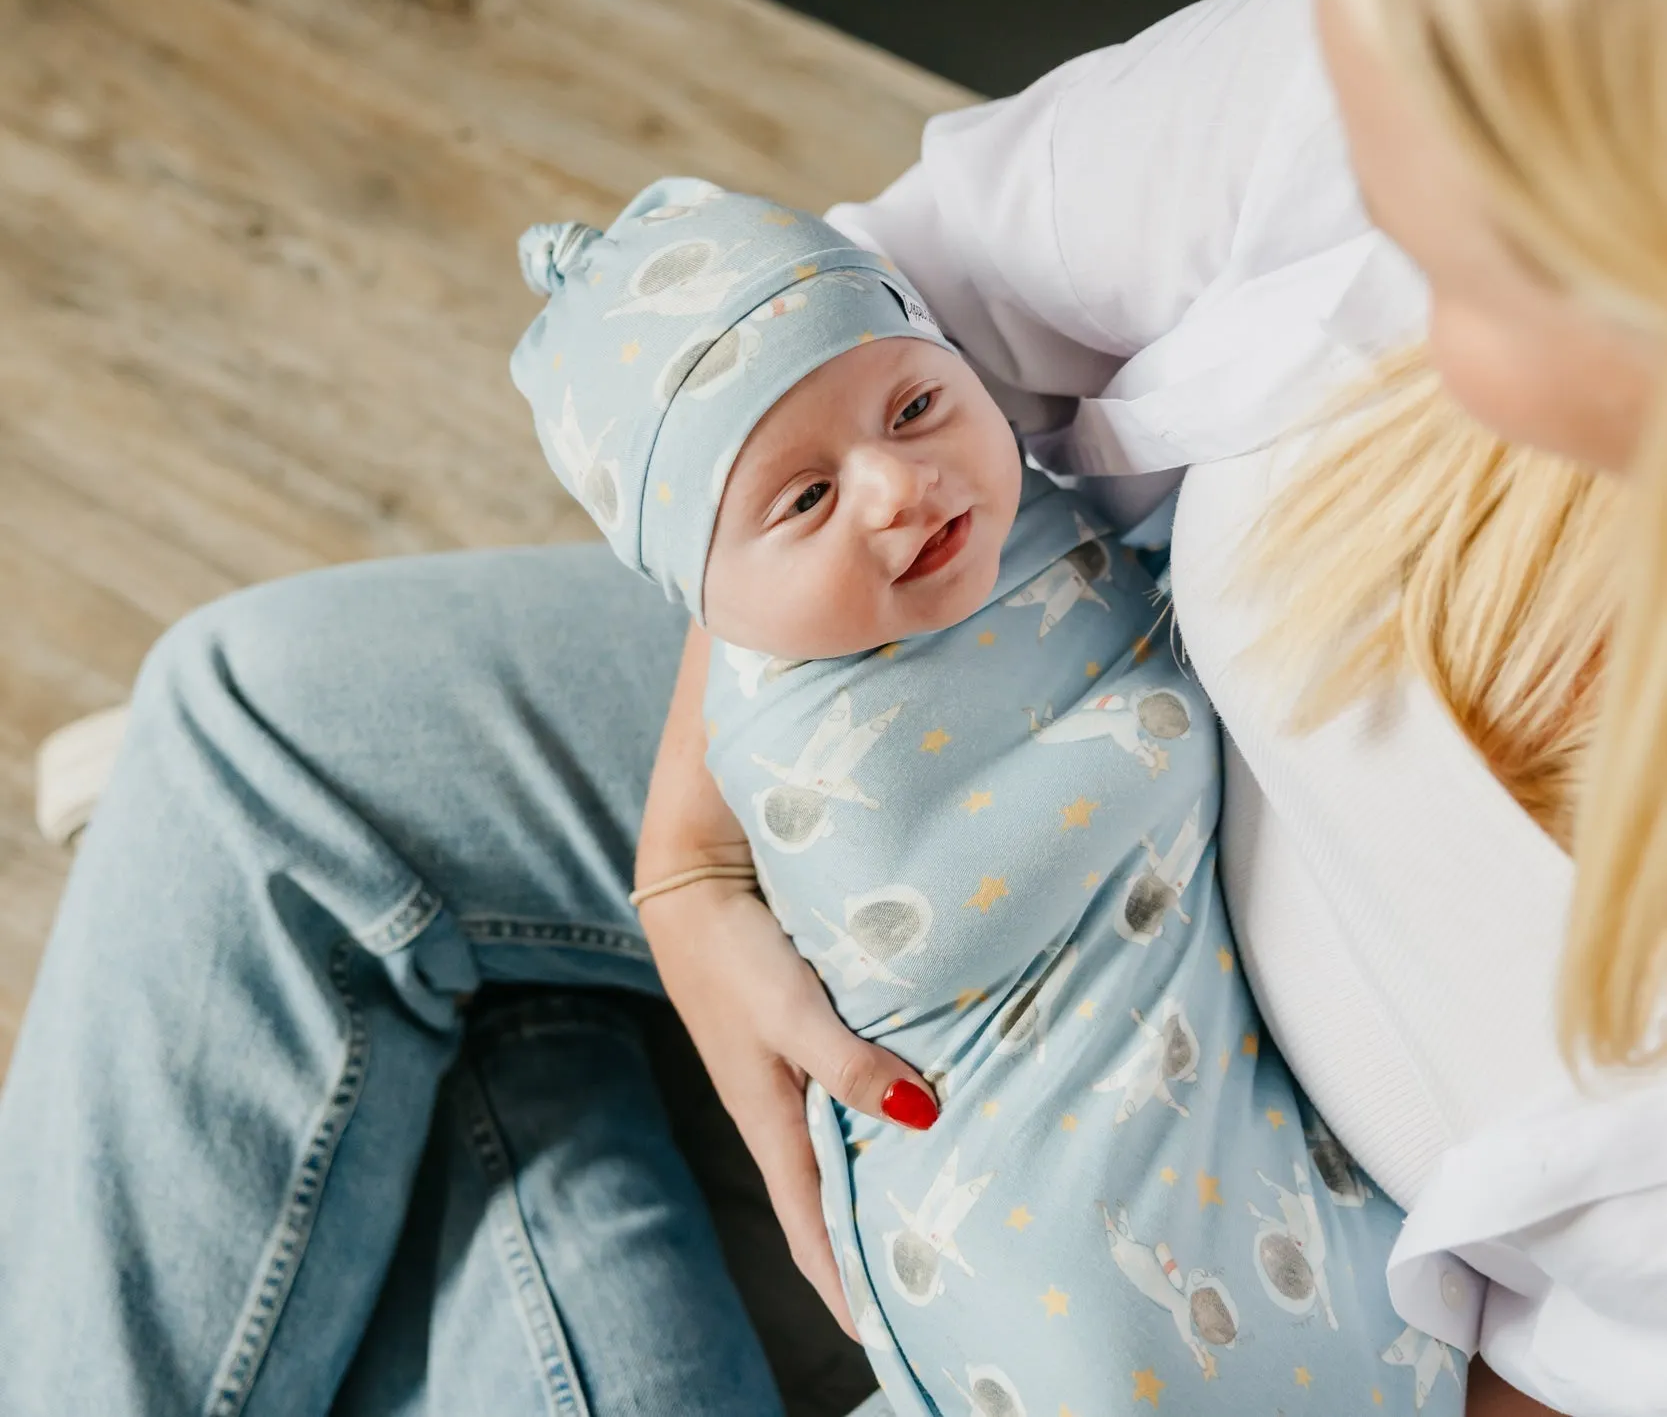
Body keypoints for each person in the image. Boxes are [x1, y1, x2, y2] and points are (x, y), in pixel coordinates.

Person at [0, 0, 1660, 1413]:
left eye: (1443, 213)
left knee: (422, 1103)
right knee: (255, 726)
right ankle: (548, 1024)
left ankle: (522, 1040)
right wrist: (696, 841)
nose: (1359, 159)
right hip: (1029, 682)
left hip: (1230, 1265)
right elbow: (904, 280)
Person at [510, 178, 1458, 1413]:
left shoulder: (984, 509)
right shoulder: (808, 749)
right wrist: (1163, 710)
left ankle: (532, 1051)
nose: (898, 487)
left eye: (915, 404)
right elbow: (915, 911)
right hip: (1045, 1263)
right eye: (803, 499)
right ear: (699, 598)